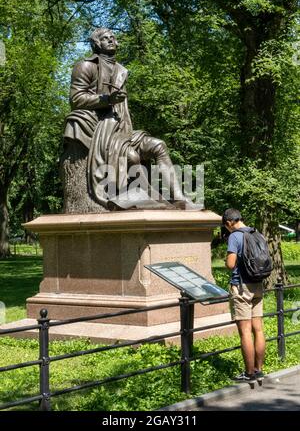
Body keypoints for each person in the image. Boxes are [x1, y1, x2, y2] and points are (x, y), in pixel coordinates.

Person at [61, 27, 195, 212]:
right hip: (101, 128)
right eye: (104, 38)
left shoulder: (121, 70)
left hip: (123, 128)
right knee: (131, 156)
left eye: (112, 37)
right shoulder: (86, 66)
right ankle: (144, 199)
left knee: (159, 145)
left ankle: (179, 199)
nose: (109, 40)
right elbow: (76, 99)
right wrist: (105, 100)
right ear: (96, 44)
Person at [222, 208, 265, 384]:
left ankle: (248, 373)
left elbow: (231, 264)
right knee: (259, 329)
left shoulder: (235, 236)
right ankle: (258, 370)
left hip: (241, 287)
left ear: (229, 222)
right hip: (258, 284)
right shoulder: (257, 233)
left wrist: (227, 261)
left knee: (245, 331)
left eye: (226, 226)